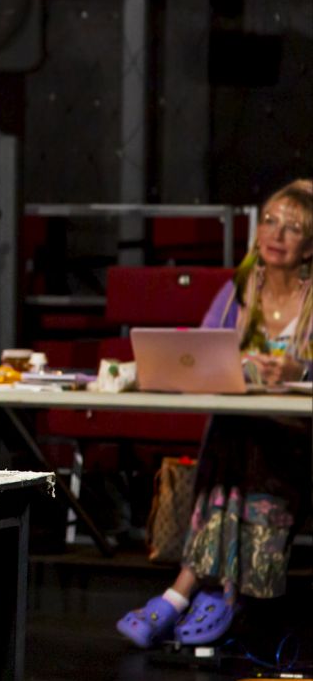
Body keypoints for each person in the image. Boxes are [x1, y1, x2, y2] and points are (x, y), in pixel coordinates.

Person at [117, 179, 312, 649]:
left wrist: (298, 366)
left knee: (245, 442)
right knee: (235, 434)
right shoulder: (238, 291)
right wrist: (243, 366)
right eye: (269, 221)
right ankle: (221, 593)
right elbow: (202, 352)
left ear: (310, 246)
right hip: (244, 433)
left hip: (299, 439)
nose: (276, 234)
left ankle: (185, 591)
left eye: (293, 227)